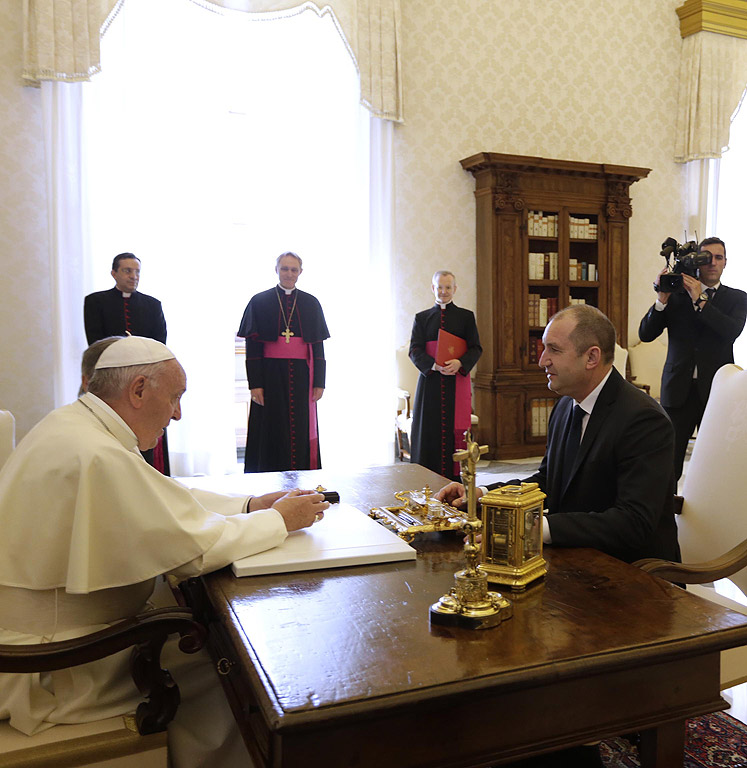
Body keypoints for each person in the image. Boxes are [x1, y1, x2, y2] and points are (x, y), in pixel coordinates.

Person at [0, 336, 329, 768]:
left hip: (63, 636)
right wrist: (280, 521)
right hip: (58, 667)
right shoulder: (95, 451)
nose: (177, 413)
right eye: (175, 398)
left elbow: (159, 499)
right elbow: (193, 551)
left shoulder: (76, 425)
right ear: (138, 390)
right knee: (234, 673)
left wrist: (249, 506)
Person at [436, 304, 680, 566]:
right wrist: (482, 495)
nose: (542, 360)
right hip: (576, 558)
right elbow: (549, 481)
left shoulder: (643, 420)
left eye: (554, 349)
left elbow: (633, 523)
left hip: (635, 575)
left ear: (591, 358)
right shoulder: (566, 404)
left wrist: (531, 530)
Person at [638, 237, 747, 481]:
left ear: (725, 263)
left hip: (717, 393)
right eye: (706, 257)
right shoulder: (676, 296)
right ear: (696, 260)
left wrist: (700, 299)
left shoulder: (737, 298)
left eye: (718, 258)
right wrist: (661, 299)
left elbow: (730, 332)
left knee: (716, 461)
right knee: (668, 462)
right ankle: (666, 515)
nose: (712, 263)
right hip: (677, 391)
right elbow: (645, 334)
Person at [237, 252, 330, 473]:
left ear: (300, 272)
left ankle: (301, 475)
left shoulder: (311, 303)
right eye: (285, 268)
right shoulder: (259, 301)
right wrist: (255, 384)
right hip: (270, 376)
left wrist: (319, 382)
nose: (289, 273)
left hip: (302, 377)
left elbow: (318, 347)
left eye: (294, 269)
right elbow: (253, 348)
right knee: (271, 427)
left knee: (300, 428)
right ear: (276, 270)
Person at [84, 253, 170, 473]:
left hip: (146, 379)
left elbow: (159, 343)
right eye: (127, 271)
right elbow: (96, 342)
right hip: (110, 380)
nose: (134, 276)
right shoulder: (95, 302)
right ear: (114, 273)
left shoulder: (152, 305)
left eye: (137, 271)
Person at [408, 271, 482, 480]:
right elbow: (414, 349)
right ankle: (425, 475)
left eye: (448, 287)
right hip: (430, 382)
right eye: (440, 287)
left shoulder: (466, 317)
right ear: (433, 288)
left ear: (455, 289)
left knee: (452, 432)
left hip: (455, 382)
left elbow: (476, 348)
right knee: (428, 430)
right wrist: (432, 365)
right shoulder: (421, 318)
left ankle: (455, 477)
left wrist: (460, 363)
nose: (444, 291)